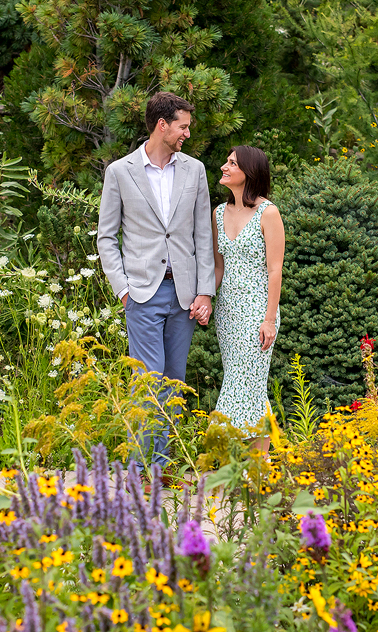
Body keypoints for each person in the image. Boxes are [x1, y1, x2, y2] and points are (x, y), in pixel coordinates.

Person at [97, 91, 216, 482]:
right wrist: (124, 290)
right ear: (162, 125)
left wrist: (204, 291)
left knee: (175, 381)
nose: (187, 132)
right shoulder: (120, 172)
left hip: (183, 295)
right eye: (182, 125)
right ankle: (141, 470)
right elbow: (106, 237)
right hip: (143, 294)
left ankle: (162, 468)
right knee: (148, 380)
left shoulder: (194, 170)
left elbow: (202, 234)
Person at [211, 146, 284, 454]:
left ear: (249, 173)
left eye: (232, 163)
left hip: (258, 314)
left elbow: (275, 269)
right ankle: (257, 466)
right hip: (227, 314)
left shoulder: (268, 212)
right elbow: (218, 267)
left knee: (249, 384)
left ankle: (239, 459)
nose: (225, 167)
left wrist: (269, 320)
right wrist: (205, 300)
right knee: (246, 384)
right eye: (227, 161)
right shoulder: (218, 213)